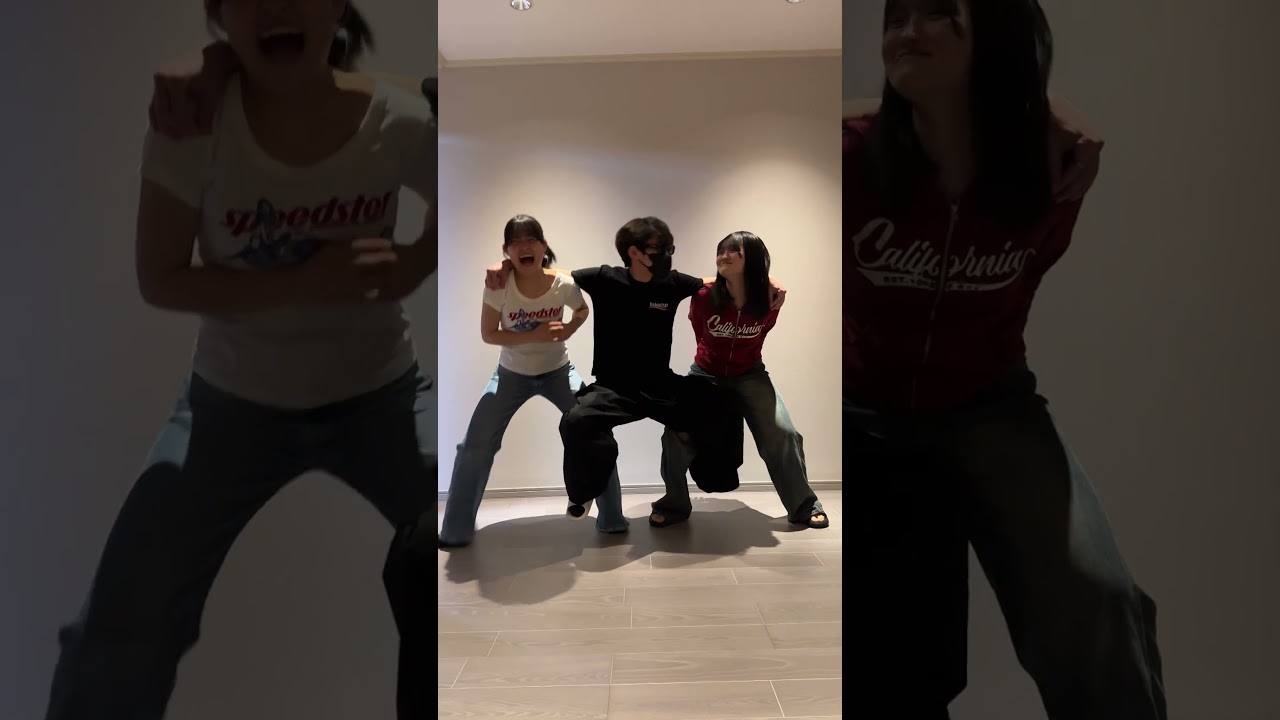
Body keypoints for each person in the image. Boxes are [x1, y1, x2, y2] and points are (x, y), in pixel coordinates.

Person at [45, 3, 437, 719]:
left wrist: (415, 262)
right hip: (227, 409)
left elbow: (461, 159)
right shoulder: (193, 124)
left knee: (449, 548)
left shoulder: (399, 120)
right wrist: (307, 282)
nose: (277, 5)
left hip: (382, 395)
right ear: (219, 13)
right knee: (117, 629)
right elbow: (161, 277)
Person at [845, 1, 1166, 719]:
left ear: (995, 35)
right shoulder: (850, 159)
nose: (905, 31)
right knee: (887, 654)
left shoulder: (1052, 172)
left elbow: (1027, 282)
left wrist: (1039, 111)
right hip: (864, 409)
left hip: (990, 406)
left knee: (1099, 600)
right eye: (896, 15)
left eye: (936, 13)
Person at [485, 217, 786, 516]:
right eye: (659, 249)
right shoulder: (605, 278)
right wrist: (507, 265)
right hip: (613, 388)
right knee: (576, 421)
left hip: (660, 385)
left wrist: (766, 279)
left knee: (722, 401)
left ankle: (715, 478)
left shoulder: (672, 284)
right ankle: (584, 492)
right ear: (634, 252)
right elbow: (552, 273)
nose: (666, 255)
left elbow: (713, 280)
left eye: (669, 249)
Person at [438, 215, 630, 548]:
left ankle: (612, 518)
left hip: (559, 371)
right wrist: (537, 334)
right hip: (510, 376)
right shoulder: (498, 286)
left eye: (531, 240)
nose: (524, 247)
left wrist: (567, 329)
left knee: (595, 432)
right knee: (474, 446)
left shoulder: (563, 284)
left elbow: (582, 311)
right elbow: (489, 334)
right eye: (516, 242)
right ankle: (455, 531)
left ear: (543, 246)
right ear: (506, 250)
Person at [650, 231, 829, 529]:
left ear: (754, 259)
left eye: (735, 251)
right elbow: (698, 329)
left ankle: (804, 506)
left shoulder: (769, 299)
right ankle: (674, 504)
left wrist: (769, 283)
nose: (724, 255)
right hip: (706, 374)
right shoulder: (704, 296)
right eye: (721, 250)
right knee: (675, 434)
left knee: (783, 432)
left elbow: (762, 334)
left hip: (750, 374)